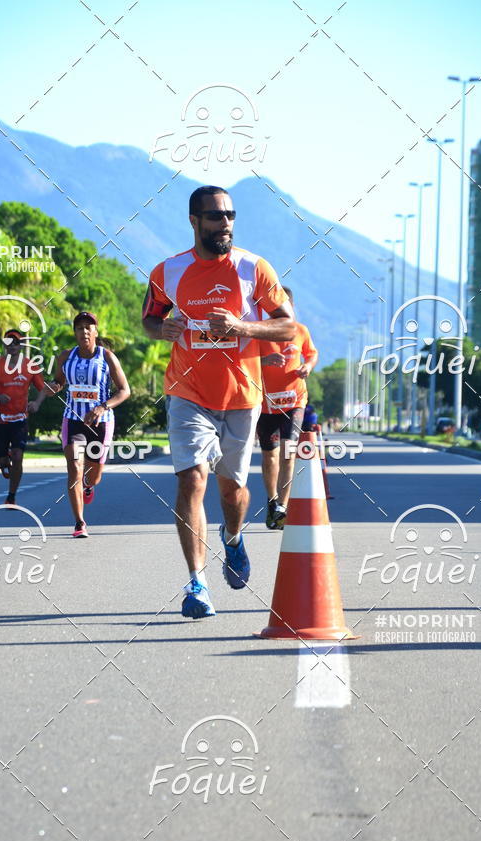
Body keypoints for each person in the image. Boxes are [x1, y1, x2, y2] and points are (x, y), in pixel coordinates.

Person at [142, 185, 295, 619]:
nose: (224, 223)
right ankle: (197, 584)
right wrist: (162, 330)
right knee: (192, 481)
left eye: (230, 214)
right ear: (194, 221)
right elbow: (150, 318)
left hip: (240, 396)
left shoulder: (254, 268)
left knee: (234, 492)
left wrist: (242, 328)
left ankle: (232, 537)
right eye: (215, 216)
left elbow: (287, 327)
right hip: (187, 392)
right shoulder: (168, 271)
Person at [47, 311, 130, 538]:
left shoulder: (107, 357)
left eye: (88, 327)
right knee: (74, 466)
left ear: (95, 331)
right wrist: (53, 387)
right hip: (73, 420)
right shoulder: (65, 357)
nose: (84, 331)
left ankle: (89, 486)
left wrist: (103, 407)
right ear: (74, 332)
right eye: (79, 327)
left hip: (101, 423)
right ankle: (79, 523)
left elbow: (125, 390)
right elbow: (59, 381)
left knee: (93, 476)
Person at [257, 288, 318, 529]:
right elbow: (242, 360)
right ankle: (272, 500)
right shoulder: (258, 331)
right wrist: (264, 361)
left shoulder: (300, 331)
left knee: (288, 452)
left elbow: (312, 354)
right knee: (269, 456)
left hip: (294, 402)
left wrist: (308, 366)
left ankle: (282, 506)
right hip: (265, 403)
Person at [0, 328, 47, 506]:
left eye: (16, 343)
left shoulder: (30, 366)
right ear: (4, 345)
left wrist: (37, 403)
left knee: (18, 457)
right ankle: (5, 460)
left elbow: (43, 389)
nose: (12, 346)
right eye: (9, 343)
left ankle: (11, 496)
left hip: (20, 420)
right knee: (0, 462)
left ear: (21, 345)